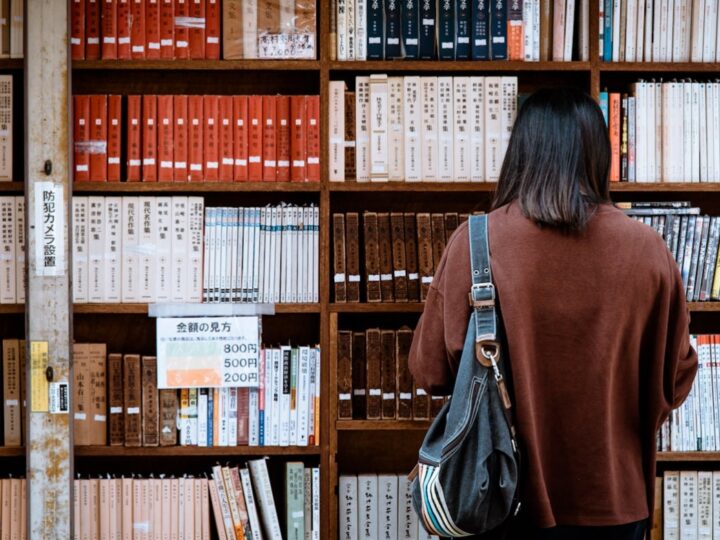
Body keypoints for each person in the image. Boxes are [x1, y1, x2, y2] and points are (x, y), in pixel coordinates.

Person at [408, 87, 698, 540]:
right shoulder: (648, 251)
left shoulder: (476, 242)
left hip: (498, 496)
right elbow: (675, 380)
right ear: (599, 155)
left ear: (520, 152)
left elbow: (430, 372)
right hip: (616, 501)